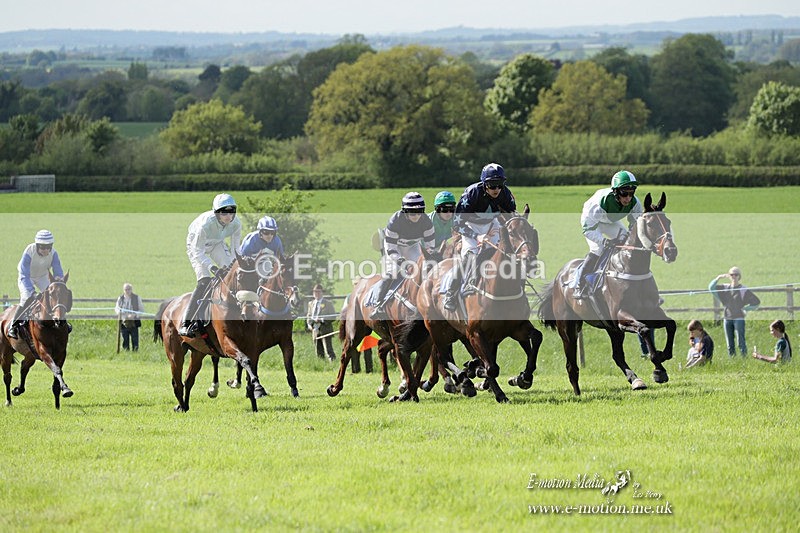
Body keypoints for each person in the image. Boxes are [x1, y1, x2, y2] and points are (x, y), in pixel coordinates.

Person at [445, 163, 517, 311]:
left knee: (504, 255)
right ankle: (450, 294)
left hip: (493, 224)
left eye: (500, 185)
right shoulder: (471, 194)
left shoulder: (506, 193)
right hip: (470, 226)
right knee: (470, 258)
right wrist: (476, 236)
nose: (496, 189)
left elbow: (511, 218)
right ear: (484, 184)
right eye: (492, 185)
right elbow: (457, 224)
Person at [573, 170, 644, 299]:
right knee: (598, 249)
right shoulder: (599, 204)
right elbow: (587, 230)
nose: (628, 198)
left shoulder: (635, 203)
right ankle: (579, 284)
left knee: (624, 240)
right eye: (624, 193)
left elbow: (635, 224)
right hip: (592, 224)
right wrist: (605, 241)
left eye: (631, 193)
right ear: (616, 192)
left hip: (609, 221)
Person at [179, 193, 242, 338]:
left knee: (231, 274)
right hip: (196, 247)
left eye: (231, 211)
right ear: (217, 213)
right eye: (224, 212)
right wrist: (212, 267)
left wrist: (234, 266)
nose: (228, 216)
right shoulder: (205, 225)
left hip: (216, 244)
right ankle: (186, 323)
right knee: (204, 281)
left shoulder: (236, 223)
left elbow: (236, 250)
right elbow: (197, 251)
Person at [370, 192, 435, 319]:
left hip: (413, 246)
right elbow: (391, 248)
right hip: (394, 247)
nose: (416, 216)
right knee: (391, 272)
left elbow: (430, 247)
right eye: (412, 212)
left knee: (422, 272)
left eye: (419, 211)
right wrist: (400, 261)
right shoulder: (395, 221)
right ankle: (378, 304)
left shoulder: (427, 222)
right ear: (405, 211)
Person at [7, 229, 65, 339]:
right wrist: (31, 291)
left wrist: (58, 280)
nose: (45, 250)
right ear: (37, 245)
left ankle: (61, 322)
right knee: (26, 298)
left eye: (48, 247)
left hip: (42, 277)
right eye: (42, 247)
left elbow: (58, 270)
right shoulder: (29, 251)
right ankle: (13, 326)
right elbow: (24, 273)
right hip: (26, 277)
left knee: (54, 296)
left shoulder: (54, 253)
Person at [709, 267, 760, 357]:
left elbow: (756, 302)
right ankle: (732, 360)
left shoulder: (743, 289)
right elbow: (711, 288)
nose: (733, 276)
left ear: (739, 276)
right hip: (727, 318)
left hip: (739, 318)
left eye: (736, 274)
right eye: (731, 274)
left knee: (741, 342)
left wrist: (745, 309)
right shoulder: (725, 287)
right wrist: (718, 278)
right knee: (730, 344)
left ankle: (744, 359)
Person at [306, 283, 336, 361]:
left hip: (325, 329)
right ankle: (321, 366)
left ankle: (333, 364)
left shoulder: (328, 303)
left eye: (319, 292)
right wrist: (309, 324)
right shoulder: (311, 304)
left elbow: (333, 317)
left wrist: (321, 319)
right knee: (318, 352)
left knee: (328, 350)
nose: (317, 294)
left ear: (322, 292)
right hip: (315, 330)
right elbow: (308, 316)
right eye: (315, 292)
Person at [115, 283, 144, 351]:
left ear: (131, 289)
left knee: (135, 340)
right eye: (126, 289)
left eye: (129, 289)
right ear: (123, 290)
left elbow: (142, 310)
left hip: (134, 322)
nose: (127, 291)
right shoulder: (121, 298)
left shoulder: (137, 298)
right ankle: (126, 354)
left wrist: (134, 315)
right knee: (125, 340)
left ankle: (135, 354)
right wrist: (123, 315)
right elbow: (117, 309)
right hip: (124, 322)